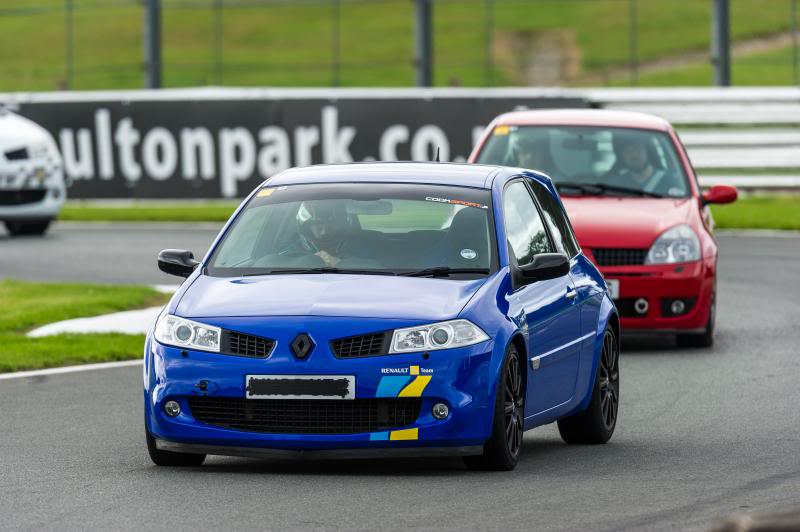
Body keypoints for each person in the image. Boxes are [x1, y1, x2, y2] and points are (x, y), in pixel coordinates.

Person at [282, 200, 350, 267]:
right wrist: (309, 260)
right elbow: (279, 261)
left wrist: (339, 264)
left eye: (329, 228)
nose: (324, 232)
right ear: (309, 229)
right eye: (319, 229)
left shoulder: (352, 245)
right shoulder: (295, 248)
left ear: (337, 227)